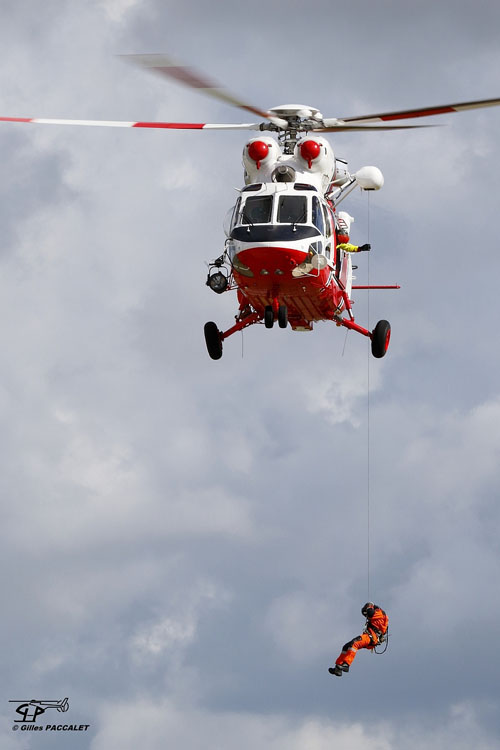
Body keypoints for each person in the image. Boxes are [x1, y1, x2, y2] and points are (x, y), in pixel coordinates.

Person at [329, 602, 389, 677]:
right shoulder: (377, 614)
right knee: (346, 646)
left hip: (372, 637)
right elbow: (367, 613)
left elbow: (370, 613)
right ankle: (338, 668)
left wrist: (369, 606)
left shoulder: (380, 613)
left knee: (354, 643)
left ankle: (346, 664)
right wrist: (366, 609)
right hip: (369, 636)